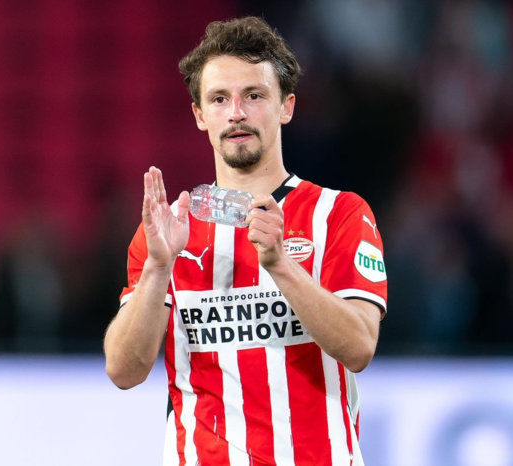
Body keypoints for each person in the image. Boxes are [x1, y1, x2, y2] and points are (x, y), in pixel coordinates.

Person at [104, 16, 387, 466]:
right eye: (219, 99)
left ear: (286, 106)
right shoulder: (168, 231)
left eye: (254, 95)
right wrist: (158, 267)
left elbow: (359, 347)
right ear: (200, 115)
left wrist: (281, 265)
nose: (236, 112)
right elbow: (124, 370)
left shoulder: (340, 214)